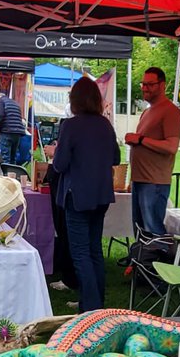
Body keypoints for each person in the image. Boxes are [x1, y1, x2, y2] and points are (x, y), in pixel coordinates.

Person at [51, 77, 120, 312]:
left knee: (81, 253)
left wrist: (59, 152)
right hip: (100, 196)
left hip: (77, 196)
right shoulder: (105, 125)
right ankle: (94, 302)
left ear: (75, 100)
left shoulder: (71, 126)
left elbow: (59, 165)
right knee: (94, 251)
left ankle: (90, 308)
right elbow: (116, 158)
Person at [125, 66, 180, 238]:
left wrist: (141, 140)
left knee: (152, 231)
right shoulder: (147, 111)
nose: (144, 88)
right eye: (143, 84)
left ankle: (155, 264)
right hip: (140, 180)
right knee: (140, 230)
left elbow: (171, 147)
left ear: (162, 85)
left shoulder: (170, 111)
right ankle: (142, 263)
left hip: (155, 183)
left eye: (150, 84)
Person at [0, 88, 27, 164]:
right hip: (18, 132)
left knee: (5, 157)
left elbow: (0, 116)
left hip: (7, 131)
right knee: (13, 157)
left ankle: (5, 175)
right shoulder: (14, 103)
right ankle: (12, 174)